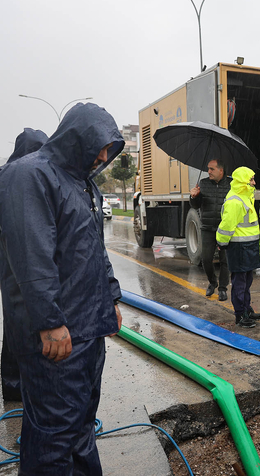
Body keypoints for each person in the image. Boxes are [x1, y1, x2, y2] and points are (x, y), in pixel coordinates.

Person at [0, 103, 124, 474]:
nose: (104, 156)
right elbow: (31, 258)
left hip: (88, 329)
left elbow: (95, 250)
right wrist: (50, 322)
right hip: (58, 338)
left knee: (82, 425)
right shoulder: (29, 176)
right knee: (54, 434)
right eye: (100, 146)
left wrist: (112, 298)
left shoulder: (83, 184)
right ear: (76, 137)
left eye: (110, 148)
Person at [1, 128, 49, 402]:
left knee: (20, 320)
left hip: (17, 261)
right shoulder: (13, 177)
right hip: (13, 260)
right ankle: (17, 385)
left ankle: (17, 384)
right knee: (20, 320)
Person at [216, 166, 260, 328]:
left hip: (247, 246)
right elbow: (227, 225)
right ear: (242, 182)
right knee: (240, 283)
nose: (254, 182)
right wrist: (221, 242)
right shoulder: (235, 201)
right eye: (251, 179)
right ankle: (240, 315)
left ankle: (246, 309)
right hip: (239, 247)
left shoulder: (243, 197)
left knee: (246, 281)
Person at [190, 159, 231, 302]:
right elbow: (196, 205)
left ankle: (223, 289)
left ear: (221, 170)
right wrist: (193, 196)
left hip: (224, 228)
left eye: (212, 169)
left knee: (225, 260)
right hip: (207, 227)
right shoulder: (203, 183)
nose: (209, 172)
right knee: (206, 259)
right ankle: (212, 282)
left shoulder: (231, 184)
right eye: (208, 169)